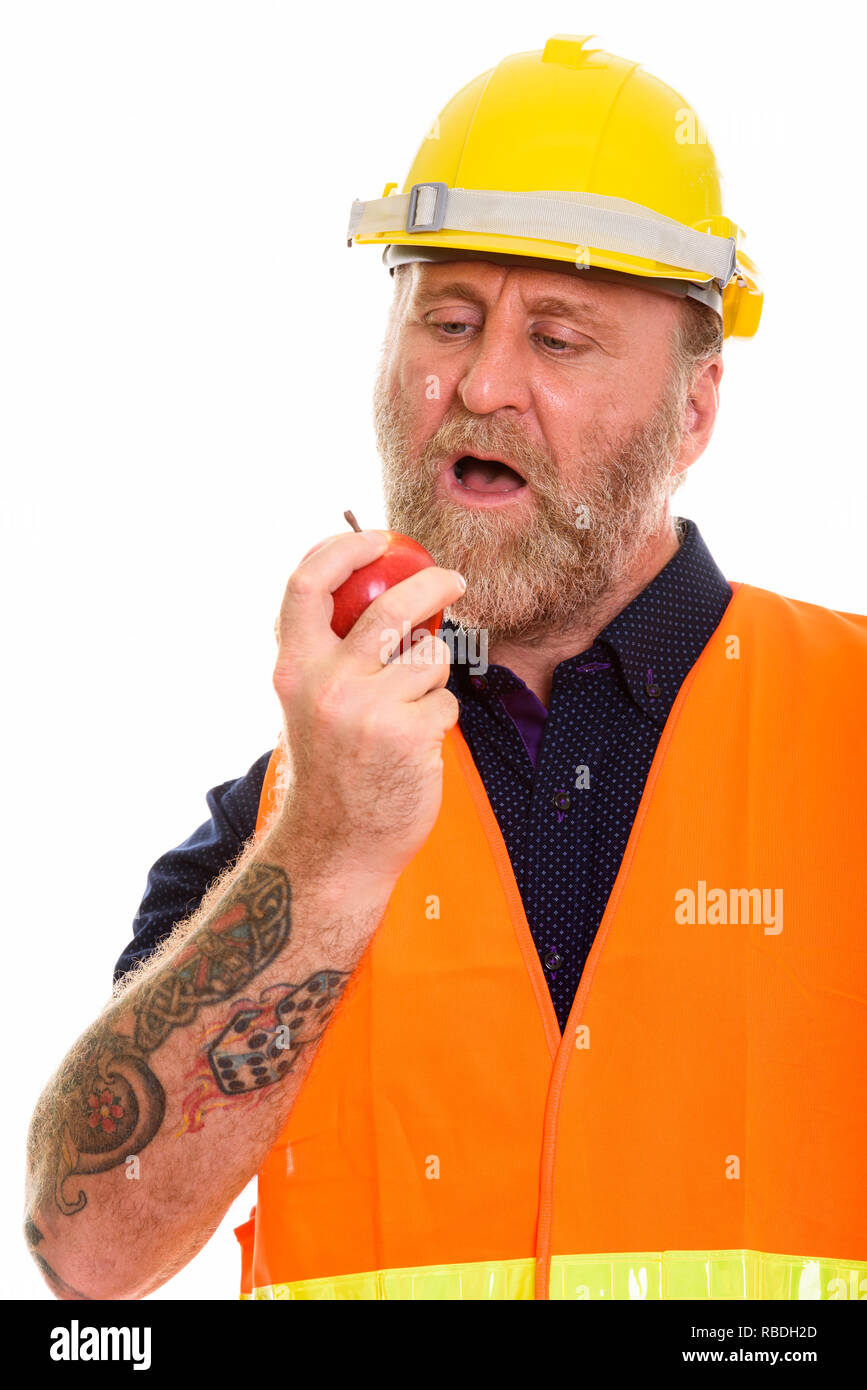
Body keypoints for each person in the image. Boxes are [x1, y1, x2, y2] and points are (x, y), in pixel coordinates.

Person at [25, 35, 867, 1303]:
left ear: (696, 411)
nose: (479, 383)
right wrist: (332, 848)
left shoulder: (846, 729)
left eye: (563, 339)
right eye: (450, 319)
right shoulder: (288, 813)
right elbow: (86, 1250)